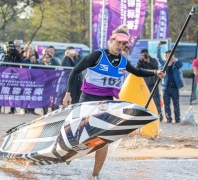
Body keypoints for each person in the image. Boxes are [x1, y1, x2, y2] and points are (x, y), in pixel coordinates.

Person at [62, 24, 165, 179]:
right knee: (79, 132)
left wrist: (155, 72)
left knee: (102, 140)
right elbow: (75, 70)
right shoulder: (97, 55)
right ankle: (69, 154)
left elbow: (137, 72)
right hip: (88, 99)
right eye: (119, 43)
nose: (121, 46)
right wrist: (68, 93)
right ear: (111, 40)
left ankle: (95, 175)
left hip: (107, 103)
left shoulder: (123, 61)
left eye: (124, 44)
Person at [157, 42, 184, 123]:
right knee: (166, 104)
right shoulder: (163, 64)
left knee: (176, 104)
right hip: (166, 87)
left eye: (171, 56)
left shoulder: (176, 65)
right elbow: (158, 57)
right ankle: (168, 118)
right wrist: (159, 48)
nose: (170, 57)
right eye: (168, 56)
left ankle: (177, 118)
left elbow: (181, 64)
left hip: (175, 87)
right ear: (165, 57)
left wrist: (176, 60)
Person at [136, 49, 163, 121]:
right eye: (142, 55)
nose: (144, 56)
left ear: (148, 54)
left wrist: (148, 61)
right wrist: (140, 61)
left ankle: (159, 116)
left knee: (156, 101)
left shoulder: (153, 60)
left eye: (145, 55)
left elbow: (156, 68)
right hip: (144, 84)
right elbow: (136, 69)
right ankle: (145, 116)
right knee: (144, 101)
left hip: (153, 84)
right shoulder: (141, 62)